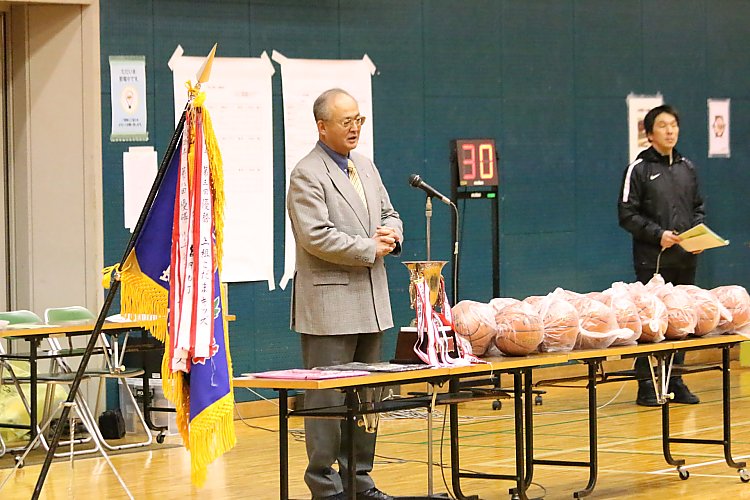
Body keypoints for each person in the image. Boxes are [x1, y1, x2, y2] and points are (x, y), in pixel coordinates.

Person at [287, 88, 403, 500]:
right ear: (322, 127)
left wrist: (392, 234)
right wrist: (369, 247)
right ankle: (325, 486)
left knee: (368, 398)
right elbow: (315, 236)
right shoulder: (307, 173)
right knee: (328, 400)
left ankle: (360, 480)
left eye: (359, 120)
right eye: (346, 121)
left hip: (371, 302)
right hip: (329, 305)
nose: (355, 128)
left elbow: (389, 213)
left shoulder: (365, 166)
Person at [618, 104, 705, 407]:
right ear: (650, 134)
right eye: (663, 126)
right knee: (651, 321)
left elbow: (698, 208)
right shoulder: (638, 169)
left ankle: (675, 381)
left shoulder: (687, 168)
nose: (670, 131)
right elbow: (627, 214)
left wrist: (697, 235)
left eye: (674, 125)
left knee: (682, 320)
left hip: (685, 260)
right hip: (652, 260)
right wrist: (658, 235)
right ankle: (646, 383)